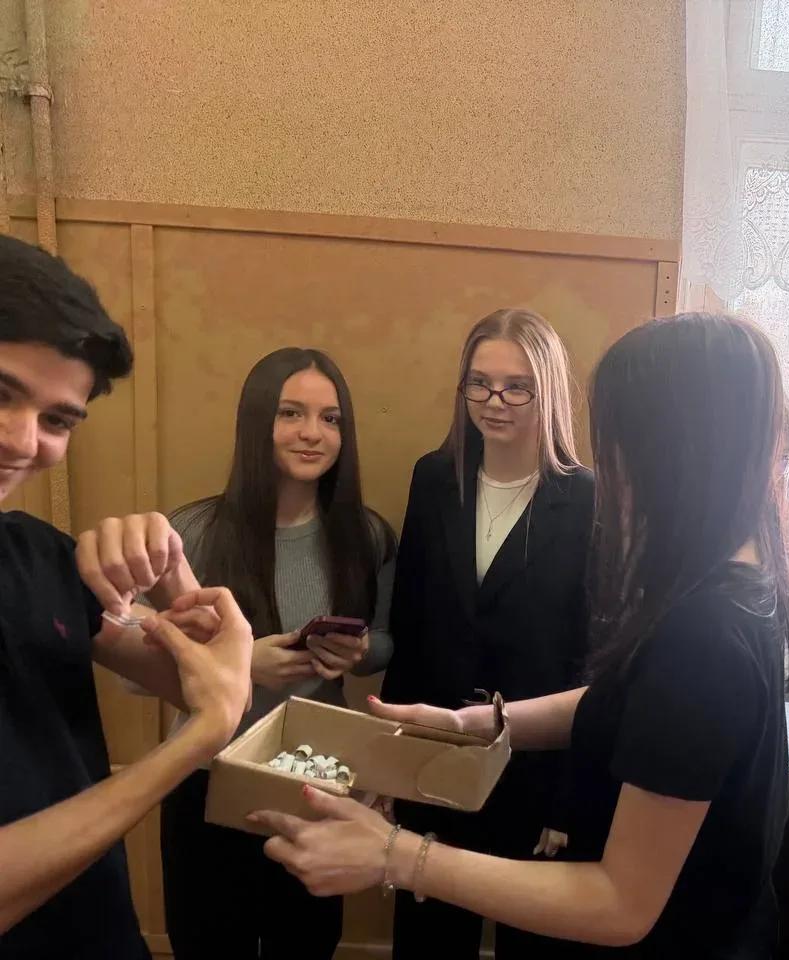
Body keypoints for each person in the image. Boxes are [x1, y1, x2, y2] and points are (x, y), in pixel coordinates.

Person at [251, 312, 789, 958]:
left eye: (617, 443)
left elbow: (620, 903)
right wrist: (474, 723)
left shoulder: (702, 637)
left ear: (671, 456)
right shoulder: (735, 584)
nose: (612, 471)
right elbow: (632, 701)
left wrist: (396, 856)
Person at [0, 234, 253, 957]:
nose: (23, 441)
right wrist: (193, 743)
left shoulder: (38, 553)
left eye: (56, 420)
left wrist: (174, 574)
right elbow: (210, 708)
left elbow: (188, 672)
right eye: (2, 394)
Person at [155, 347, 396, 960]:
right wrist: (241, 665)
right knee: (208, 944)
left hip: (315, 781)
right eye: (291, 413)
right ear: (257, 420)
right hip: (206, 778)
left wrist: (360, 651)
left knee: (307, 944)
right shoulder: (193, 532)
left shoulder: (366, 535)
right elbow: (139, 669)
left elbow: (387, 642)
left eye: (331, 418)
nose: (313, 433)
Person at [380, 308, 594, 959]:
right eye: (480, 383)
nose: (495, 401)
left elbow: (592, 660)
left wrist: (570, 802)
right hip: (435, 758)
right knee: (429, 941)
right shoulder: (433, 478)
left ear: (547, 392)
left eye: (516, 386)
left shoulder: (588, 500)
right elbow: (411, 627)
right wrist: (392, 765)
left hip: (535, 769)